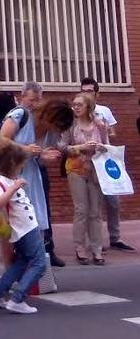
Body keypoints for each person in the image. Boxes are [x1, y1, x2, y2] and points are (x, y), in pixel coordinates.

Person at [0, 85, 74, 267]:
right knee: (10, 227)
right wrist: (25, 149)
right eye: (55, 124)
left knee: (34, 223)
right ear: (49, 115)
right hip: (10, 175)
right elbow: (2, 140)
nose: (54, 129)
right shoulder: (21, 115)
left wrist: (43, 157)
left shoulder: (51, 132)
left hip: (31, 178)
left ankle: (32, 268)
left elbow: (39, 157)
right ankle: (12, 271)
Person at [0, 142, 46, 314]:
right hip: (24, 227)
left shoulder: (1, 180)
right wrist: (14, 187)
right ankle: (17, 299)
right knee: (39, 263)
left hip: (22, 226)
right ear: (12, 164)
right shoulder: (0, 182)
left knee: (22, 261)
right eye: (20, 166)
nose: (21, 169)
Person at [80, 77, 135, 252]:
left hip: (105, 159)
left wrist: (103, 129)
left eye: (90, 91)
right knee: (91, 204)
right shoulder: (78, 110)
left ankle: (115, 237)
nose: (86, 94)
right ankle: (93, 241)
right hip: (87, 161)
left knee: (113, 201)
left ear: (97, 93)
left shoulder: (104, 110)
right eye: (83, 91)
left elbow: (113, 132)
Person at [58, 93, 108, 265]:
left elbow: (107, 145)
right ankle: (80, 247)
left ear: (89, 106)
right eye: (75, 104)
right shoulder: (70, 125)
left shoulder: (99, 124)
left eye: (80, 104)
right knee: (81, 210)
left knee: (96, 211)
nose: (76, 107)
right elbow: (61, 146)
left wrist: (100, 147)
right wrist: (80, 147)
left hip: (96, 170)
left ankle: (97, 249)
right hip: (75, 169)